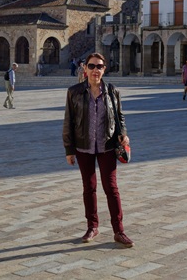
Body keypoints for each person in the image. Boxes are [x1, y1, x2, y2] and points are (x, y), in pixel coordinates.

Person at [62, 52, 134, 248]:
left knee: (111, 188)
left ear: (104, 69)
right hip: (83, 147)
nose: (95, 70)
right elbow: (68, 122)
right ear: (85, 68)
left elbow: (120, 117)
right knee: (89, 188)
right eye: (91, 66)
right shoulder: (74, 92)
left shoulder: (112, 92)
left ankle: (119, 231)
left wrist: (124, 133)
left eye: (99, 66)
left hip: (107, 146)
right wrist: (69, 149)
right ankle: (92, 226)